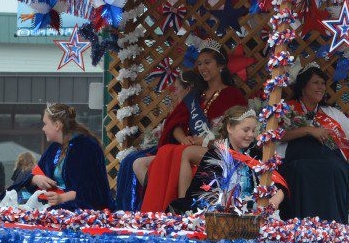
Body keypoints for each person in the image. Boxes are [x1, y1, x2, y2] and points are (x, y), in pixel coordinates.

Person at [140, 44, 247, 212]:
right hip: (190, 145)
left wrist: (204, 140)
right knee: (148, 159)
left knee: (181, 153)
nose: (202, 68)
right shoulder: (196, 95)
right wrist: (183, 138)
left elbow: (238, 132)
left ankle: (184, 207)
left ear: (220, 65)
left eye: (207, 62)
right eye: (199, 64)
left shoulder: (233, 95)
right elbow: (176, 122)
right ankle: (160, 205)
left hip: (218, 149)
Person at [277, 65, 349, 222]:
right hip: (297, 164)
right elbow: (275, 135)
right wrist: (308, 130)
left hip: (331, 165)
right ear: (303, 87)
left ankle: (333, 226)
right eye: (316, 82)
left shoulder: (332, 113)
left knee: (336, 168)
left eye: (323, 83)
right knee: (303, 170)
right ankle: (301, 227)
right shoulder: (286, 109)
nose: (321, 87)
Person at [170, 107, 284, 214]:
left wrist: (276, 198)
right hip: (221, 215)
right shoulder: (215, 156)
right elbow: (203, 195)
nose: (251, 135)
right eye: (246, 130)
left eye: (253, 131)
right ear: (230, 128)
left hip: (254, 213)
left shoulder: (256, 155)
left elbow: (279, 182)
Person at [119, 71, 195, 211]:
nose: (173, 92)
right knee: (130, 160)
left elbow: (177, 127)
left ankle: (154, 199)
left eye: (176, 89)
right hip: (169, 148)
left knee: (135, 162)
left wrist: (184, 138)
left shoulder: (190, 106)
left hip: (177, 149)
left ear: (188, 89)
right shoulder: (180, 105)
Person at [18, 103, 111, 211]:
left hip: (84, 213)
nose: (43, 128)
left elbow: (91, 191)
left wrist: (62, 198)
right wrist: (35, 179)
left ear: (57, 125)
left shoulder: (86, 147)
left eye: (45, 124)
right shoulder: (54, 148)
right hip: (56, 209)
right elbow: (35, 173)